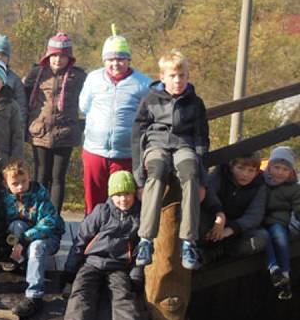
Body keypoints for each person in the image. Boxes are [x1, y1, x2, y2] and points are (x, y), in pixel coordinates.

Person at [132, 50, 209, 271]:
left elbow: (202, 138)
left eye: (182, 75)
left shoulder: (195, 103)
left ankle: (188, 241)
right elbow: (137, 136)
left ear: (187, 76)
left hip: (183, 146)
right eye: (173, 76)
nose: (178, 81)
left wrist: (202, 178)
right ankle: (146, 240)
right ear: (163, 77)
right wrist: (138, 179)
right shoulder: (150, 100)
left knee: (190, 173)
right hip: (156, 146)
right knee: (156, 173)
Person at [62, 171, 146, 320]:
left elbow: (141, 249)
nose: (123, 199)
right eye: (118, 195)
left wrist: (136, 275)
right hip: (93, 262)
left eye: (127, 194)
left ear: (134, 194)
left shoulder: (139, 217)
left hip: (118, 266)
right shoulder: (102, 211)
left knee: (122, 293)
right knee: (82, 289)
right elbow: (81, 239)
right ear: (111, 195)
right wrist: (70, 268)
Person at [79, 26, 152, 214]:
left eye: (120, 59)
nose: (116, 63)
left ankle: (125, 242)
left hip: (126, 154)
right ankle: (91, 241)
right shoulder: (93, 79)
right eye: (111, 59)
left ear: (128, 59)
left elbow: (152, 114)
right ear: (104, 60)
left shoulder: (143, 83)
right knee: (94, 202)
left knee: (123, 202)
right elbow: (83, 106)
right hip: (95, 151)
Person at [23, 32, 86, 212]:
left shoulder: (78, 76)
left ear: (69, 57)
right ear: (48, 56)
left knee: (58, 178)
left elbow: (90, 100)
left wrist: (81, 125)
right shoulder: (37, 73)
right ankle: (39, 214)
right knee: (41, 175)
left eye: (62, 56)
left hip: (65, 133)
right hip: (39, 132)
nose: (58, 60)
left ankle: (54, 217)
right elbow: (23, 97)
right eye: (54, 56)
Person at [0, 160, 65, 319]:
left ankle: (34, 295)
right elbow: (3, 222)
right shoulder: (6, 199)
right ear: (6, 184)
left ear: (29, 177)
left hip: (48, 237)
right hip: (25, 233)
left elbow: (49, 223)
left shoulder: (41, 195)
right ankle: (23, 262)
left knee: (36, 246)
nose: (21, 186)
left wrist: (24, 241)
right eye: (15, 183)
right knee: (16, 225)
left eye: (24, 181)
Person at [200, 152, 268, 262]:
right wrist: (219, 215)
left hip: (236, 228)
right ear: (232, 167)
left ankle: (219, 250)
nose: (245, 174)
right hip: (214, 220)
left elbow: (254, 215)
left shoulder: (260, 185)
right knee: (199, 228)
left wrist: (229, 230)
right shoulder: (220, 172)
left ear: (256, 172)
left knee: (262, 238)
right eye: (240, 168)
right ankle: (203, 249)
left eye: (251, 170)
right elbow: (209, 193)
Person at [262, 146, 300, 300]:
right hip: (261, 220)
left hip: (278, 221)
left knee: (279, 237)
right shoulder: (262, 182)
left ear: (291, 172)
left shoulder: (294, 189)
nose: (279, 172)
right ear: (269, 167)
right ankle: (274, 268)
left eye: (285, 169)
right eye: (276, 167)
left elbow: (298, 207)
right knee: (264, 238)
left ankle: (285, 273)